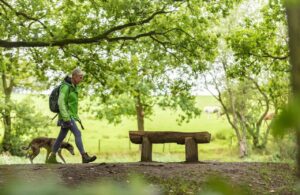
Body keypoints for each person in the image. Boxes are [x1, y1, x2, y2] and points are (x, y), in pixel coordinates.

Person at [47, 68, 97, 164]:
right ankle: (84, 156)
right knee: (77, 133)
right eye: (80, 77)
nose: (81, 79)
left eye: (82, 77)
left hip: (69, 116)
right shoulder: (65, 87)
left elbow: (71, 104)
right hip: (66, 116)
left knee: (61, 137)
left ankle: (52, 157)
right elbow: (61, 102)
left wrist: (74, 117)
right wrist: (66, 118)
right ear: (74, 76)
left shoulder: (73, 87)